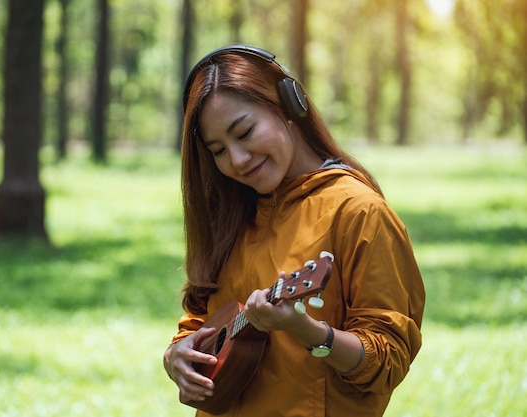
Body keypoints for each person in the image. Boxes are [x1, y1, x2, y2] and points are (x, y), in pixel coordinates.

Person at [163, 44, 425, 417]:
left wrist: (307, 330)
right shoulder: (235, 212)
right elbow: (201, 317)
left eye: (245, 131)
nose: (237, 160)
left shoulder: (359, 212)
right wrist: (177, 353)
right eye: (218, 150)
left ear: (289, 104)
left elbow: (388, 362)